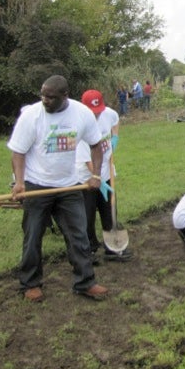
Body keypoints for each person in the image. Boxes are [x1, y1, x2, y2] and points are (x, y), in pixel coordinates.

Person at [7, 75, 108, 302]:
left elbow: (96, 146)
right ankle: (30, 284)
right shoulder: (31, 115)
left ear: (65, 95)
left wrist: (95, 175)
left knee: (79, 235)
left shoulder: (81, 114)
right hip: (36, 184)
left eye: (51, 97)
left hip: (68, 185)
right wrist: (19, 182)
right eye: (43, 95)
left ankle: (85, 282)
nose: (45, 100)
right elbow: (18, 152)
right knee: (33, 236)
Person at [76, 89, 130, 262]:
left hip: (106, 171)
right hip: (86, 177)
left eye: (99, 111)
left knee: (109, 210)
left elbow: (115, 120)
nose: (97, 115)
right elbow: (87, 159)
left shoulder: (108, 114)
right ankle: (89, 249)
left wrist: (115, 137)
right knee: (88, 213)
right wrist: (97, 178)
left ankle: (112, 248)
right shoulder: (79, 126)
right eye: (93, 113)